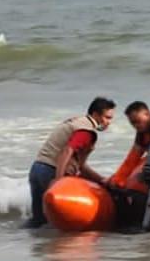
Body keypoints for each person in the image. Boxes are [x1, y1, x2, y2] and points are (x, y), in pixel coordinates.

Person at [27, 97, 116, 228]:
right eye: (107, 118)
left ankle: (32, 244)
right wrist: (59, 181)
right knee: (53, 223)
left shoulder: (74, 122)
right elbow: (67, 151)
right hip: (51, 172)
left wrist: (102, 180)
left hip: (37, 169)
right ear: (96, 115)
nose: (109, 122)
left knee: (39, 221)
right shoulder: (86, 131)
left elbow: (80, 166)